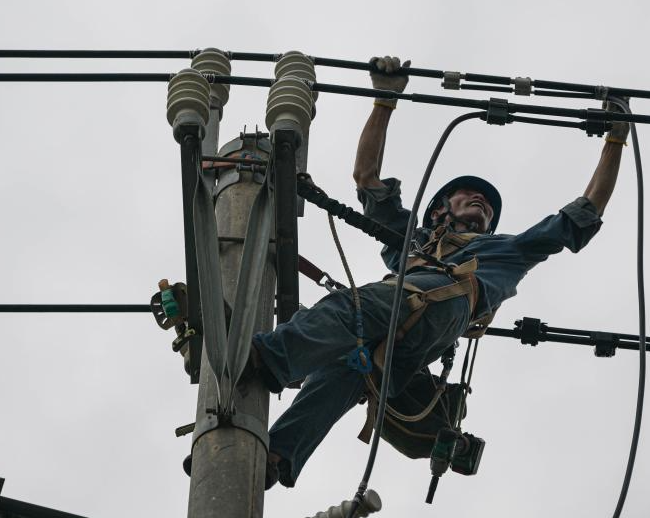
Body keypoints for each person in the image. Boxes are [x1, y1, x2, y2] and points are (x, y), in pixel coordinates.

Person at [250, 56, 628, 489]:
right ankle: (278, 455)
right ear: (438, 210)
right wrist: (384, 97)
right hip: (402, 344)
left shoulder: (507, 250)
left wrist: (614, 140)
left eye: (487, 205)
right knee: (341, 372)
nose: (482, 203)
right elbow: (366, 178)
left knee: (348, 308)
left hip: (440, 308)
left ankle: (266, 358)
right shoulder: (411, 238)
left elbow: (582, 213)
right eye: (470, 195)